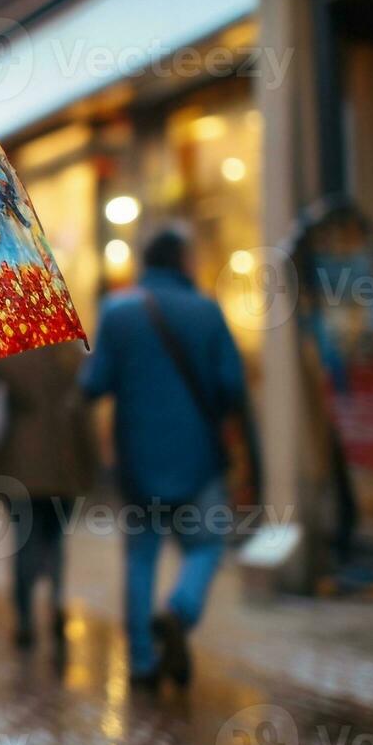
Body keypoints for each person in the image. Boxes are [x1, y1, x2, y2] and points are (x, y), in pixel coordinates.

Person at [80, 225, 245, 689]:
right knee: (208, 544)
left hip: (137, 461)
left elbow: (93, 385)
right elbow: (232, 384)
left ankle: (141, 662)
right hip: (199, 459)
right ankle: (180, 610)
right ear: (182, 262)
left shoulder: (117, 312)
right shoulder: (208, 312)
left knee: (141, 558)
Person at [0, 341, 95, 651]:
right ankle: (55, 602)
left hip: (19, 468)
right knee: (55, 539)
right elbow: (83, 414)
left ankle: (25, 618)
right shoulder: (71, 357)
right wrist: (91, 463)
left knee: (24, 541)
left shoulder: (3, 356)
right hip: (64, 466)